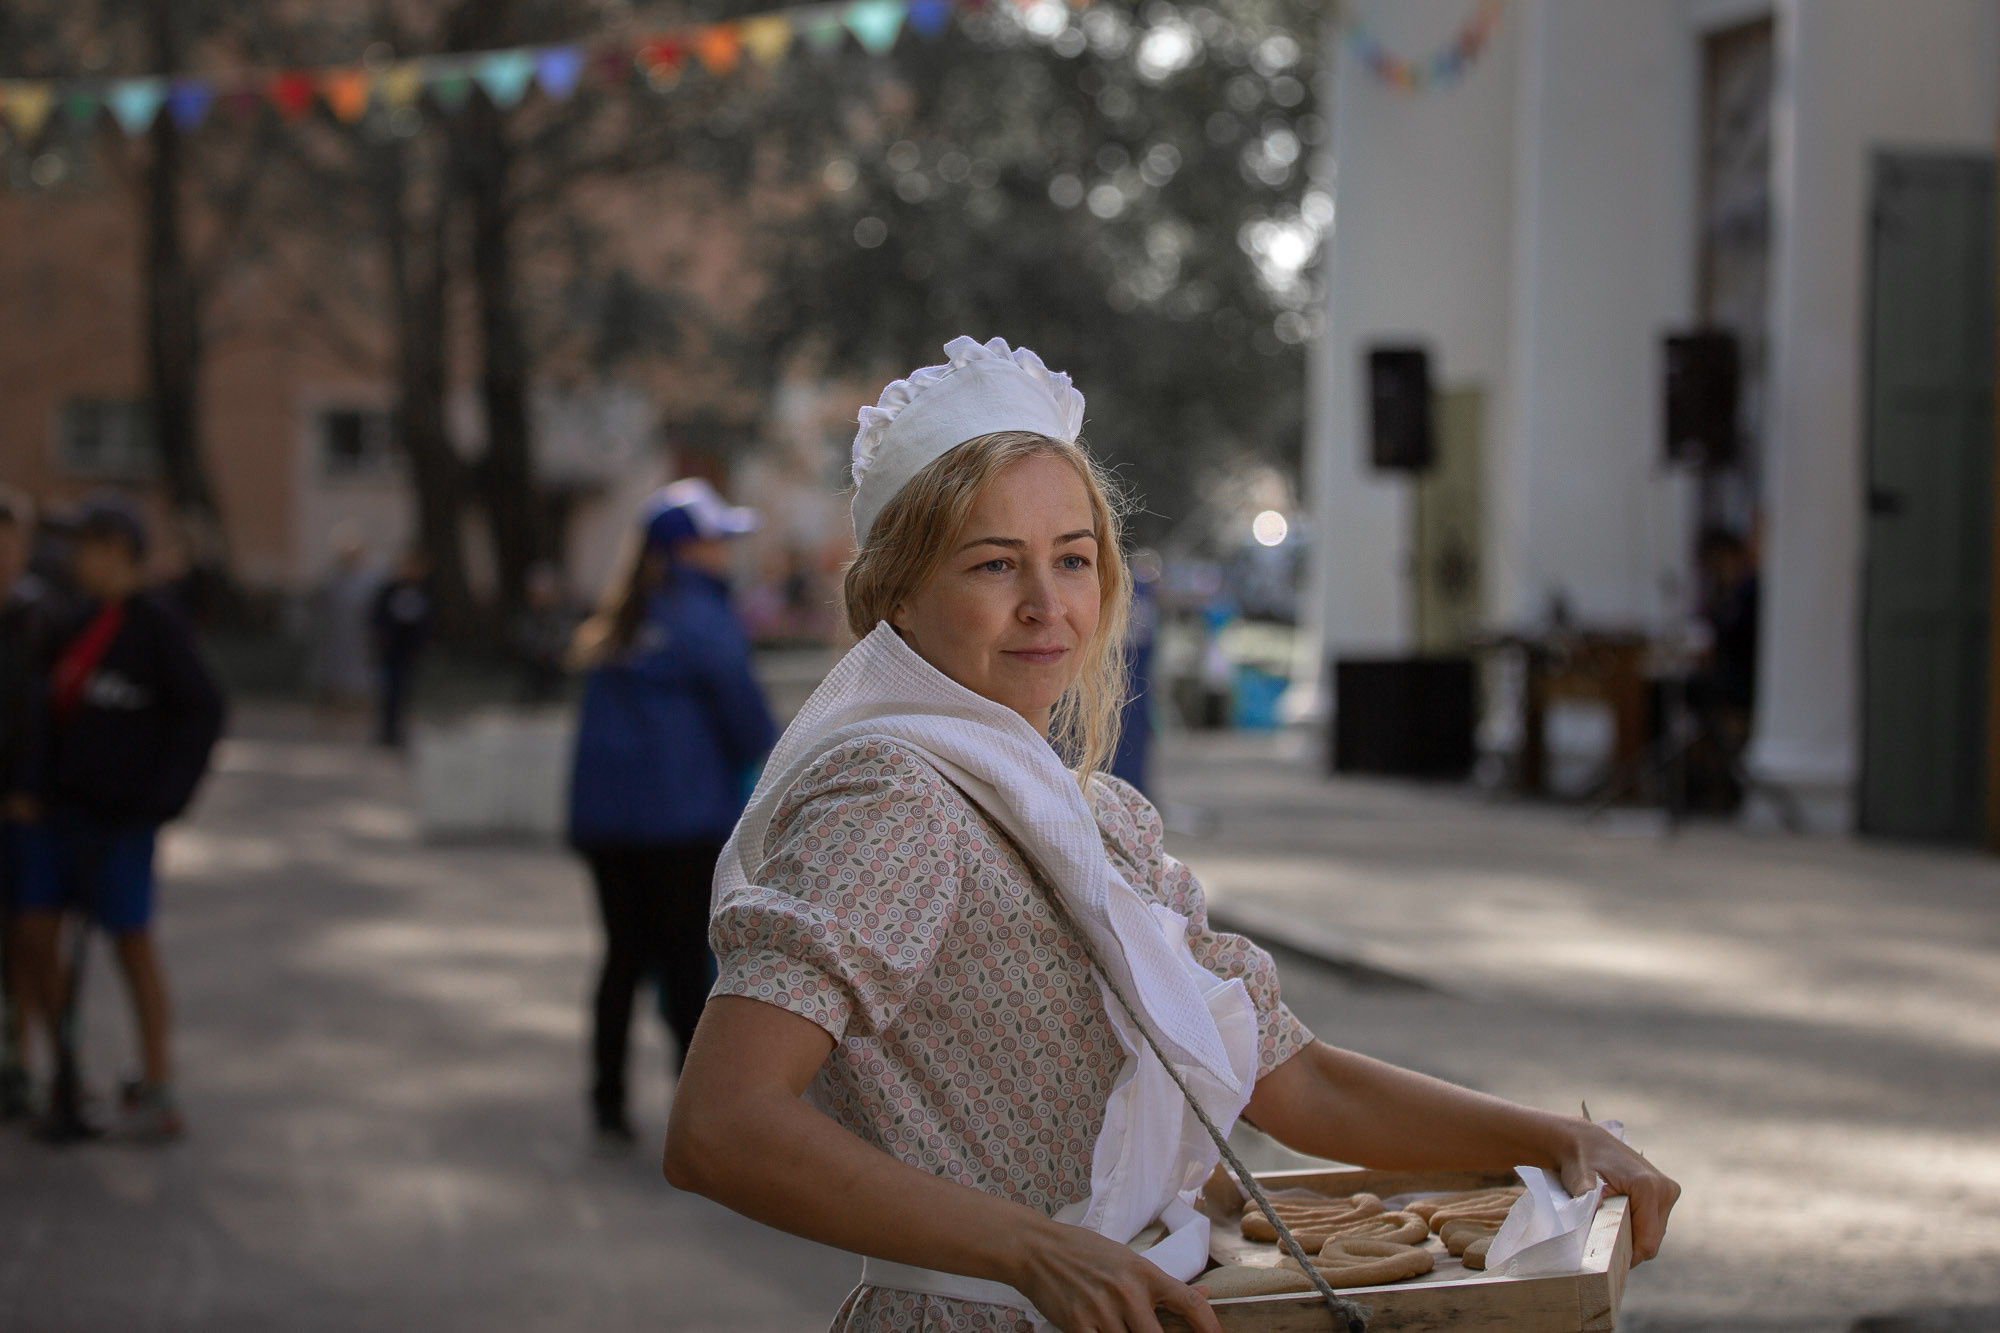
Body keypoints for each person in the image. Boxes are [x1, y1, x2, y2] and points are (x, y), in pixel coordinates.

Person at [664, 337, 1678, 1333]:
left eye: (1073, 559)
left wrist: (1555, 1139)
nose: (1045, 605)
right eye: (991, 563)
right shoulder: (893, 799)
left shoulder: (1094, 818)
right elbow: (721, 1124)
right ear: (894, 593)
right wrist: (1028, 1246)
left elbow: (1295, 1077)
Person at [566, 479, 777, 1155]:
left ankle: (607, 1103)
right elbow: (749, 725)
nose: (726, 553)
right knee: (687, 963)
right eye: (717, 540)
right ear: (688, 550)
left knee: (622, 959)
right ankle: (703, 1119)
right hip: (679, 822)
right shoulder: (702, 619)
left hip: (610, 827)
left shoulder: (622, 620)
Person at [13, 495, 225, 1142]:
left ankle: (158, 1079)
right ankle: (65, 1066)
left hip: (121, 823)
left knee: (131, 943)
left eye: (84, 545)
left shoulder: (156, 627)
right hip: (58, 814)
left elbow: (203, 710)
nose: (72, 558)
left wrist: (161, 799)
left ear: (114, 551)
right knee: (34, 932)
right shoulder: (70, 622)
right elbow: (42, 715)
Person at [0, 487, 55, 1119]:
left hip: (25, 809)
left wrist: (33, 789)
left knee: (28, 939)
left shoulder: (43, 618)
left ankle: (26, 1059)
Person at [306, 529, 378, 722]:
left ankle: (358, 708)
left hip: (360, 636)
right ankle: (333, 708)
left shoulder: (370, 580)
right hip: (335, 635)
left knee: (360, 673)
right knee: (333, 671)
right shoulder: (332, 577)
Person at [370, 546, 432, 748]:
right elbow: (378, 619)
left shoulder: (424, 591)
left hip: (410, 651)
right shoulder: (389, 590)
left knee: (406, 692)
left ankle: (400, 730)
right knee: (389, 691)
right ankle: (387, 732)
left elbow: (428, 622)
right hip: (391, 650)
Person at [511, 561, 573, 705]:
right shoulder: (526, 616)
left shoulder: (563, 614)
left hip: (555, 663)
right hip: (533, 663)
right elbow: (522, 638)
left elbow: (564, 638)